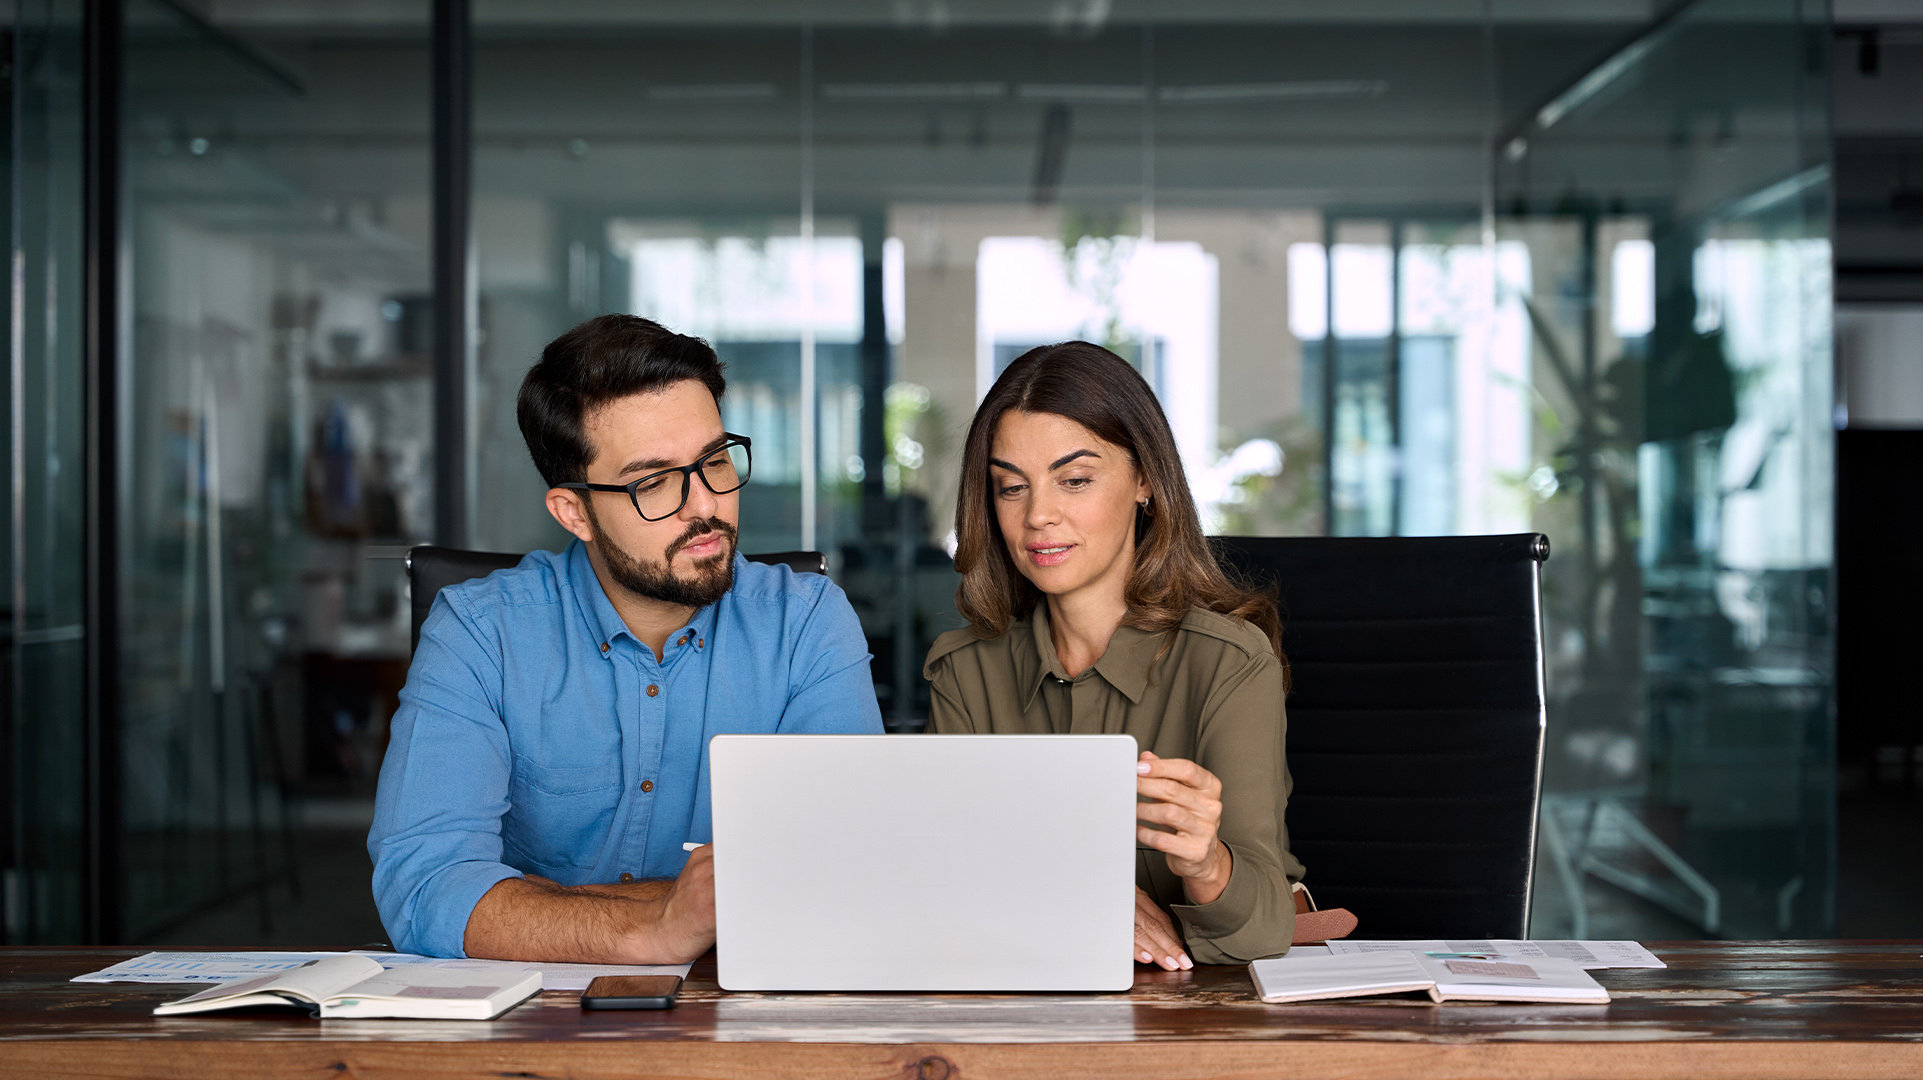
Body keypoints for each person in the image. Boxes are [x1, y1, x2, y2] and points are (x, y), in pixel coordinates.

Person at [369, 314, 884, 963]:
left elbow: (845, 875)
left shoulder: (805, 623)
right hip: (526, 1032)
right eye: (652, 482)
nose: (705, 506)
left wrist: (540, 904)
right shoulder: (480, 634)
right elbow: (425, 887)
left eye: (715, 460)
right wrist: (658, 926)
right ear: (573, 512)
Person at [923, 341, 1303, 968]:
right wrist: (1074, 899)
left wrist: (1207, 864)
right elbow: (940, 882)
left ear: (1146, 481)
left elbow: (1264, 927)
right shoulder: (964, 671)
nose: (1038, 515)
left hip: (1193, 1024)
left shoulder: (1229, 663)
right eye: (1011, 487)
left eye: (1074, 480)